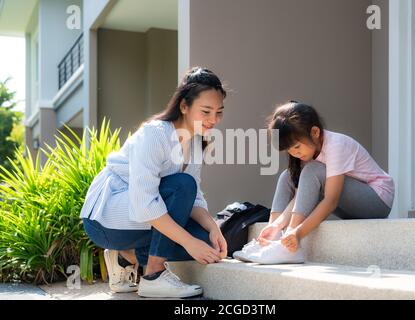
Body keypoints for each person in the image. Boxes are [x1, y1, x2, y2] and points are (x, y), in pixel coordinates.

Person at [80, 67, 228, 298]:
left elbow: (195, 196)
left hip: (139, 221)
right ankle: (153, 275)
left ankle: (125, 256)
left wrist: (212, 227)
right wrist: (187, 241)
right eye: (206, 111)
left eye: (219, 112)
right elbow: (145, 203)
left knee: (204, 242)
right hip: (106, 221)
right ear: (184, 106)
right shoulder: (154, 134)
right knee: (183, 187)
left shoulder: (197, 142)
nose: (213, 120)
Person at [234, 101, 394, 264]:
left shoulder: (336, 146)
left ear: (315, 132)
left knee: (312, 171)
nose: (294, 153)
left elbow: (331, 201)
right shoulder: (309, 152)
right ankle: (272, 240)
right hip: (351, 204)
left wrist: (296, 233)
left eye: (296, 146)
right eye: (289, 150)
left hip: (377, 201)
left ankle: (288, 247)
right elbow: (300, 198)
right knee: (287, 176)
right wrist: (276, 225)